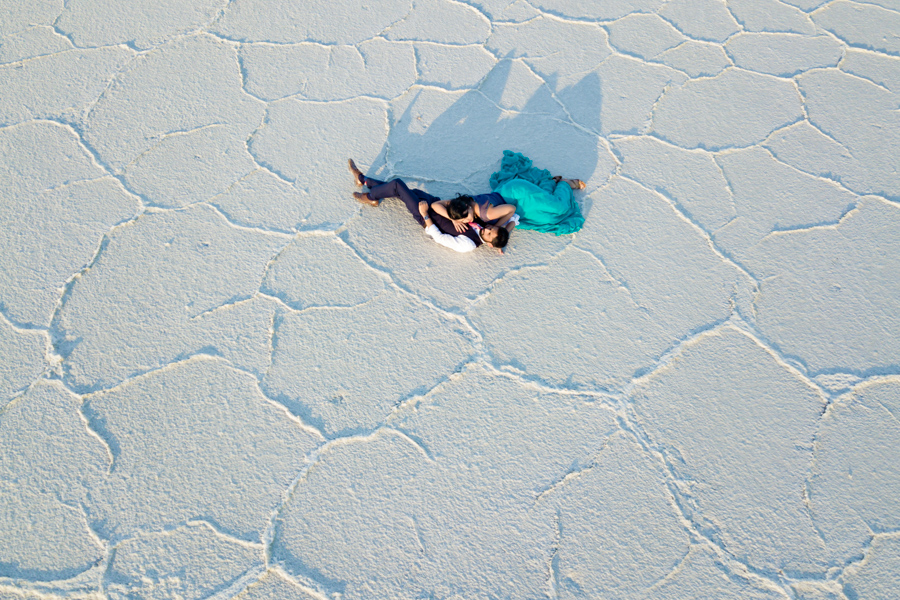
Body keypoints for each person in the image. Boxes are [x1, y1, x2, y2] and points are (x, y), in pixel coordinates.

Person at [348, 159, 512, 253]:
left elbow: (440, 238)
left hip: (426, 215)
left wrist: (425, 214)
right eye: (492, 228)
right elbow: (513, 219)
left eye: (489, 233)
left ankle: (369, 195)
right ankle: (367, 183)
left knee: (398, 185)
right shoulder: (488, 226)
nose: (488, 229)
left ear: (489, 243)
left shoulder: (468, 245)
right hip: (436, 203)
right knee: (403, 192)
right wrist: (502, 239)